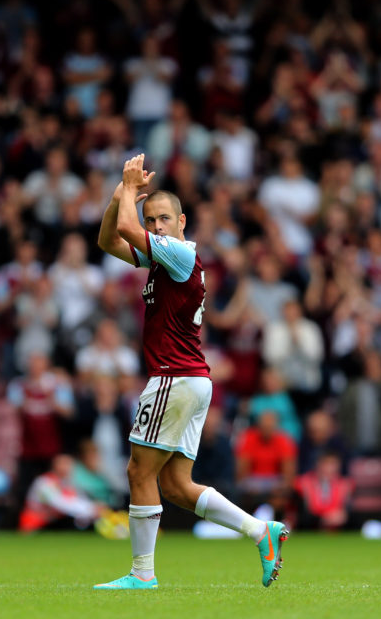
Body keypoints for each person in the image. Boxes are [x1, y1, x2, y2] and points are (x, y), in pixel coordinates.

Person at [93, 154, 287, 590]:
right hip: (192, 379)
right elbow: (109, 240)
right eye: (151, 219)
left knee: (138, 473)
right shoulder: (162, 262)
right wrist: (117, 197)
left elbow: (126, 231)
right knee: (177, 485)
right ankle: (261, 532)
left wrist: (127, 193)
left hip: (173, 377)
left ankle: (142, 574)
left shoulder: (179, 254)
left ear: (182, 221)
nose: (156, 226)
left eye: (163, 218)